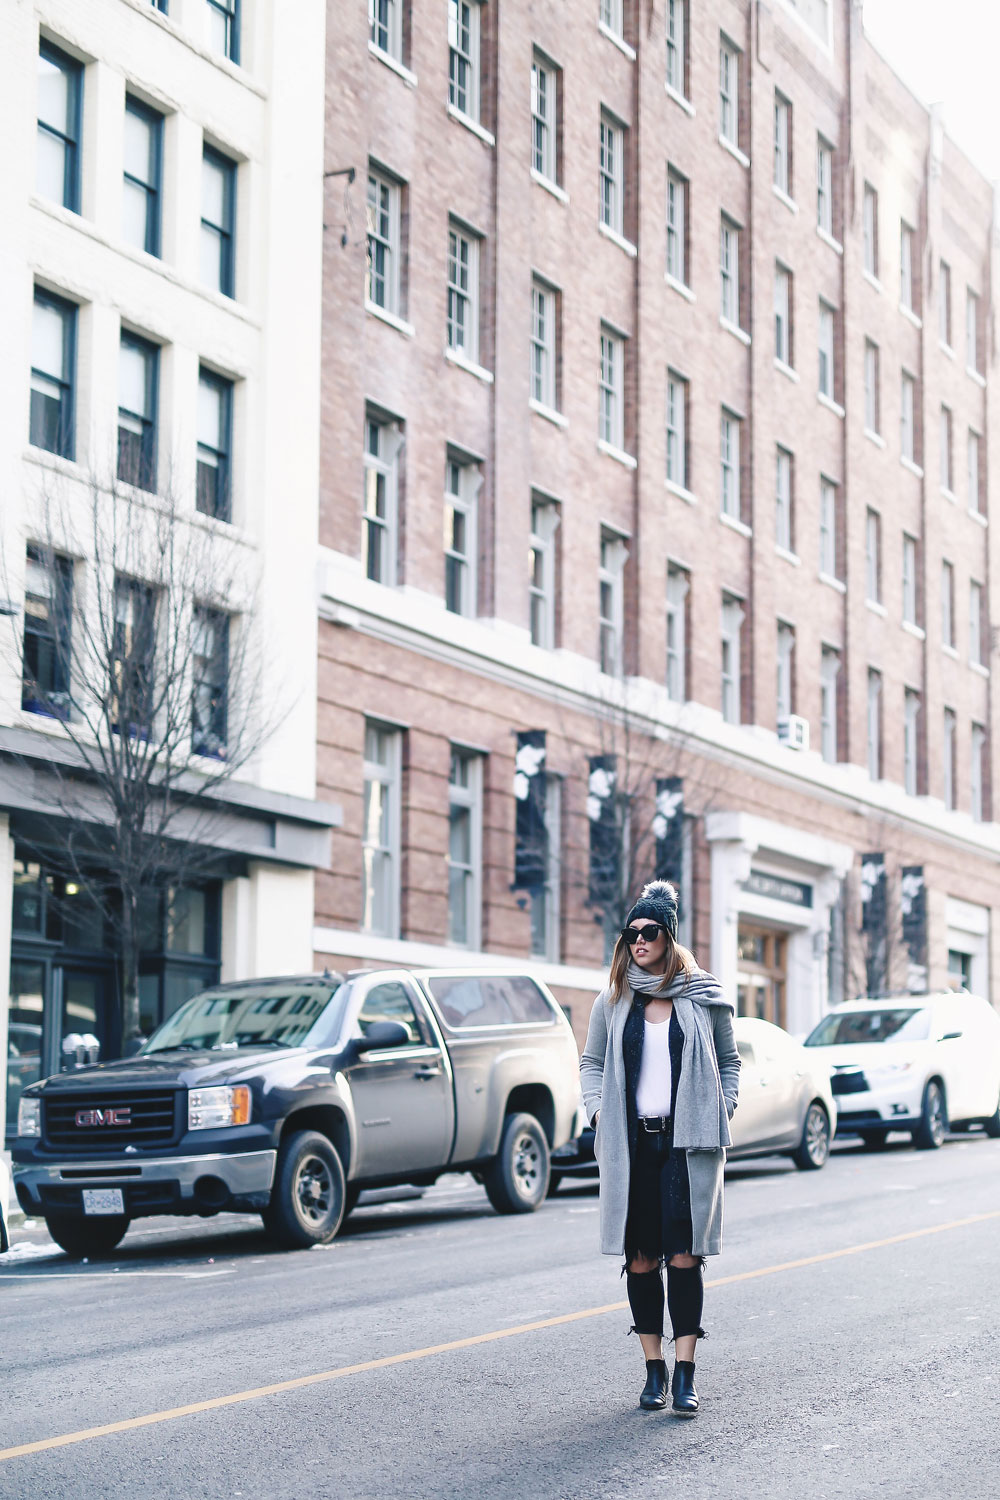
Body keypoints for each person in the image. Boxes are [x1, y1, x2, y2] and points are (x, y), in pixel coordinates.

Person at [580, 880, 740, 1417]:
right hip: (631, 1144)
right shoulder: (614, 1000)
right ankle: (654, 1371)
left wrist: (724, 1106)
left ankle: (686, 1372)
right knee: (642, 1258)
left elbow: (729, 1062)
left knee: (685, 1255)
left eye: (650, 932)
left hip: (686, 1142)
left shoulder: (702, 997)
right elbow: (592, 1063)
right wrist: (598, 1113)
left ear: (670, 936)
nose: (639, 941)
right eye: (631, 933)